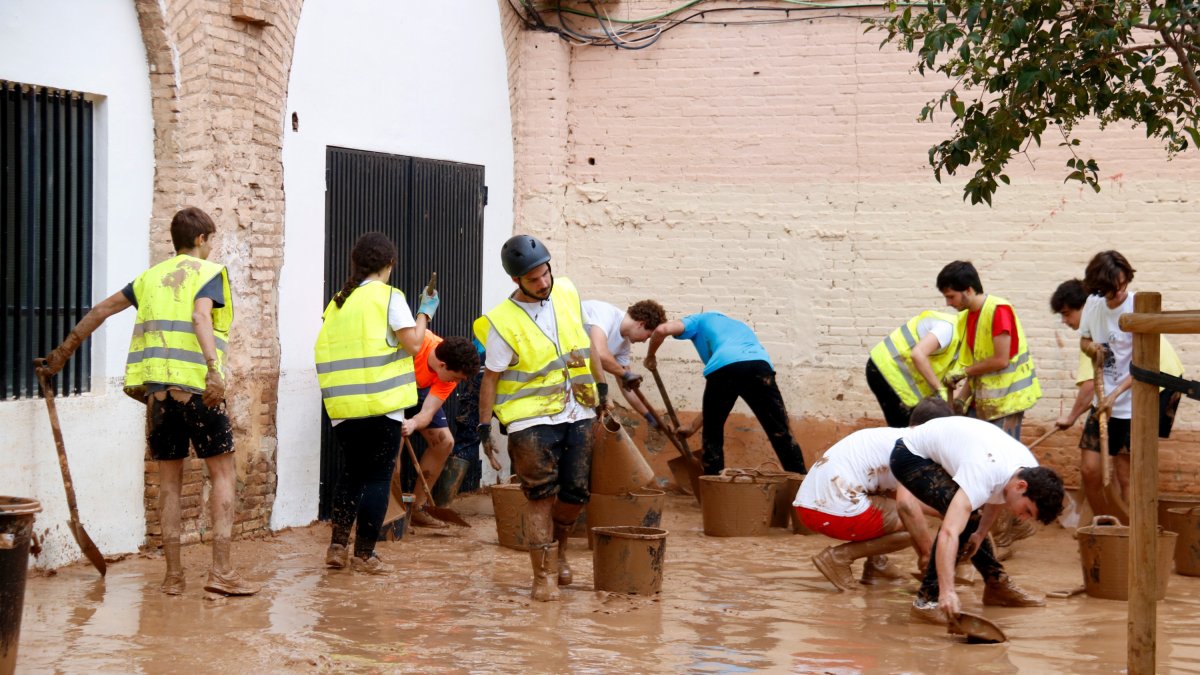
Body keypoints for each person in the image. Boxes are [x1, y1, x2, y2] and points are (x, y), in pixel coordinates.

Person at [41, 206, 258, 596]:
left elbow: (102, 309)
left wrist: (63, 352)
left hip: (158, 396)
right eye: (211, 240)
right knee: (223, 474)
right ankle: (220, 572)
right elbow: (199, 317)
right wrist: (213, 369)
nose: (212, 247)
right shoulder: (209, 273)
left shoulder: (149, 278)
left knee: (170, 483)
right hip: (199, 390)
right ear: (201, 239)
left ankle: (173, 577)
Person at [477, 234, 605, 602]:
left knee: (576, 492)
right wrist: (485, 427)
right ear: (517, 281)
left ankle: (561, 551)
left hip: (578, 407)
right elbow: (492, 377)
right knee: (540, 497)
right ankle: (543, 574)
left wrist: (602, 389)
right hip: (530, 421)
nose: (544, 282)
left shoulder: (565, 293)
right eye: (533, 279)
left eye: (545, 273)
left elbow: (585, 343)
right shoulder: (502, 321)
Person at [314, 231, 438, 574]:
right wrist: (425, 312)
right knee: (378, 478)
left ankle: (337, 546)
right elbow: (414, 344)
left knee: (351, 474)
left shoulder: (338, 301)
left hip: (343, 406)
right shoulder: (389, 297)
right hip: (382, 403)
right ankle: (365, 554)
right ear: (389, 264)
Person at [890, 415, 1064, 624]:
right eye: (1026, 510)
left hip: (957, 451)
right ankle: (927, 601)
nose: (1022, 518)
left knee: (972, 524)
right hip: (910, 456)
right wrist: (948, 591)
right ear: (1022, 487)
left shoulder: (1027, 469)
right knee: (965, 520)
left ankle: (995, 584)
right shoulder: (985, 471)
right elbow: (949, 532)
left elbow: (998, 496)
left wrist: (980, 534)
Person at [796, 397, 954, 591]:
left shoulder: (887, 436)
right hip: (832, 511)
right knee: (913, 523)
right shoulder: (914, 450)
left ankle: (876, 565)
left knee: (886, 501)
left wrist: (942, 510)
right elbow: (908, 505)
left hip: (807, 506)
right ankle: (838, 557)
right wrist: (928, 551)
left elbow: (894, 496)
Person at [1075, 251, 1185, 509]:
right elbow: (1084, 339)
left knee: (1126, 475)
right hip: (1105, 395)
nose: (1121, 292)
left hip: (1137, 395)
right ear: (1100, 289)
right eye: (1115, 288)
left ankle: (1129, 533)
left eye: (1124, 284)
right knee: (1090, 469)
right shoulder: (1093, 303)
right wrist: (1091, 348)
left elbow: (1144, 365)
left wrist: (1115, 397)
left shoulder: (1138, 306)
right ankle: (1104, 527)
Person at [644, 312, 806, 476]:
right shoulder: (739, 328)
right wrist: (692, 427)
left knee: (712, 433)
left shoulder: (699, 320)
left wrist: (650, 356)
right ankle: (801, 485)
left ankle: (715, 488)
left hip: (723, 369)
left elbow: (662, 329)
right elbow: (716, 405)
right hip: (759, 367)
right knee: (780, 430)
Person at [937, 261, 1041, 439]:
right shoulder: (965, 317)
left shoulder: (999, 310)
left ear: (968, 290)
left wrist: (961, 372)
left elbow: (1000, 360)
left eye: (951, 296)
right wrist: (962, 398)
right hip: (984, 402)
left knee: (1002, 458)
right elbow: (979, 366)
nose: (948, 303)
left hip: (1007, 401)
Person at [403, 333, 481, 528]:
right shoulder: (416, 342)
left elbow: (427, 413)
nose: (456, 383)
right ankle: (391, 511)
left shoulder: (447, 378)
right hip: (394, 383)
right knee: (392, 440)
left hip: (423, 388)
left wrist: (412, 423)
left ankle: (418, 508)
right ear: (442, 365)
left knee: (444, 442)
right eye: (456, 377)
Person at [866, 311, 962, 427]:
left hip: (901, 383)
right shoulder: (948, 329)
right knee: (906, 431)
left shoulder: (963, 347)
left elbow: (951, 385)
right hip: (885, 371)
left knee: (913, 429)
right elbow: (917, 354)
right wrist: (940, 390)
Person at [582, 299, 668, 427]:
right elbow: (599, 353)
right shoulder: (606, 314)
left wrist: (649, 417)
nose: (645, 341)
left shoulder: (623, 346)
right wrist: (624, 374)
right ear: (641, 324)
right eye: (648, 336)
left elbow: (627, 387)